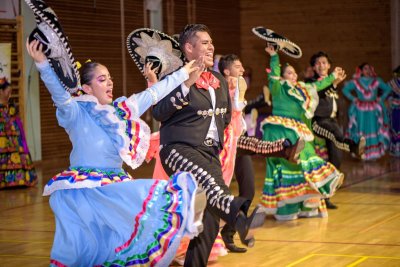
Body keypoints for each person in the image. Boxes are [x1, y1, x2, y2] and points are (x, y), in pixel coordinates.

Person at [27, 37, 209, 266]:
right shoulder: (74, 112)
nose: (110, 83)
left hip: (112, 186)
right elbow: (59, 94)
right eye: (102, 80)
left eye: (110, 79)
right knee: (80, 250)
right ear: (87, 88)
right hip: (82, 192)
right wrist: (43, 65)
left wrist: (183, 73)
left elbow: (153, 94)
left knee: (115, 241)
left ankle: (184, 203)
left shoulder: (121, 111)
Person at [152, 24, 266, 267]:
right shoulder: (174, 76)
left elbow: (224, 117)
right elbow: (159, 112)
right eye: (204, 42)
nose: (211, 46)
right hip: (178, 149)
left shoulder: (217, 79)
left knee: (210, 219)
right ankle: (240, 218)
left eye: (211, 42)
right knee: (213, 186)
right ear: (189, 48)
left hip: (208, 152)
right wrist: (185, 84)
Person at [217, 54, 301, 253]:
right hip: (224, 144)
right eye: (238, 66)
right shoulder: (218, 89)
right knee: (219, 195)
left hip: (239, 141)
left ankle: (230, 232)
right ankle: (284, 149)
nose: (242, 70)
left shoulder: (238, 87)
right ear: (227, 71)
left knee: (249, 191)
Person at [260, 44, 344, 221]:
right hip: (281, 131)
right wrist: (274, 56)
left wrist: (333, 77)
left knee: (304, 166)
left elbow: (319, 84)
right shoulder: (278, 87)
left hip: (298, 131)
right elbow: (274, 74)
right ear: (282, 76)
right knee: (286, 168)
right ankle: (286, 210)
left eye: (294, 73)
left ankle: (305, 206)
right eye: (289, 73)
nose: (294, 75)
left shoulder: (301, 89)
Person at [305, 51, 364, 209]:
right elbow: (320, 92)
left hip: (332, 122)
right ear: (314, 67)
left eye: (324, 62)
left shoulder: (332, 84)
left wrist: (334, 84)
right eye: (318, 63)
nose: (321, 65)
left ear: (329, 65)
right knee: (335, 135)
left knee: (336, 162)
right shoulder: (311, 82)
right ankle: (353, 147)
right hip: (319, 122)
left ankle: (325, 197)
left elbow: (335, 103)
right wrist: (333, 83)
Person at [342, 63, 392, 160]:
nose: (368, 70)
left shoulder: (376, 81)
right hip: (360, 109)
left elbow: (388, 89)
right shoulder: (356, 82)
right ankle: (362, 153)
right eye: (365, 68)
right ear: (360, 71)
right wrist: (353, 98)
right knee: (361, 129)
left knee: (373, 129)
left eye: (369, 68)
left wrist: (381, 98)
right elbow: (345, 90)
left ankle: (373, 154)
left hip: (373, 109)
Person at [0, 77, 37, 188]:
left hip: (14, 136)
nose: (10, 94)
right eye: (8, 91)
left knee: (17, 152)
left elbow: (16, 121)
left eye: (11, 91)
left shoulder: (11, 106)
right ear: (1, 91)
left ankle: (19, 180)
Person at [388, 65, 400, 157]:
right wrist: (391, 100)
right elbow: (386, 93)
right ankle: (396, 149)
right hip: (396, 109)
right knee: (396, 128)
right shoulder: (392, 83)